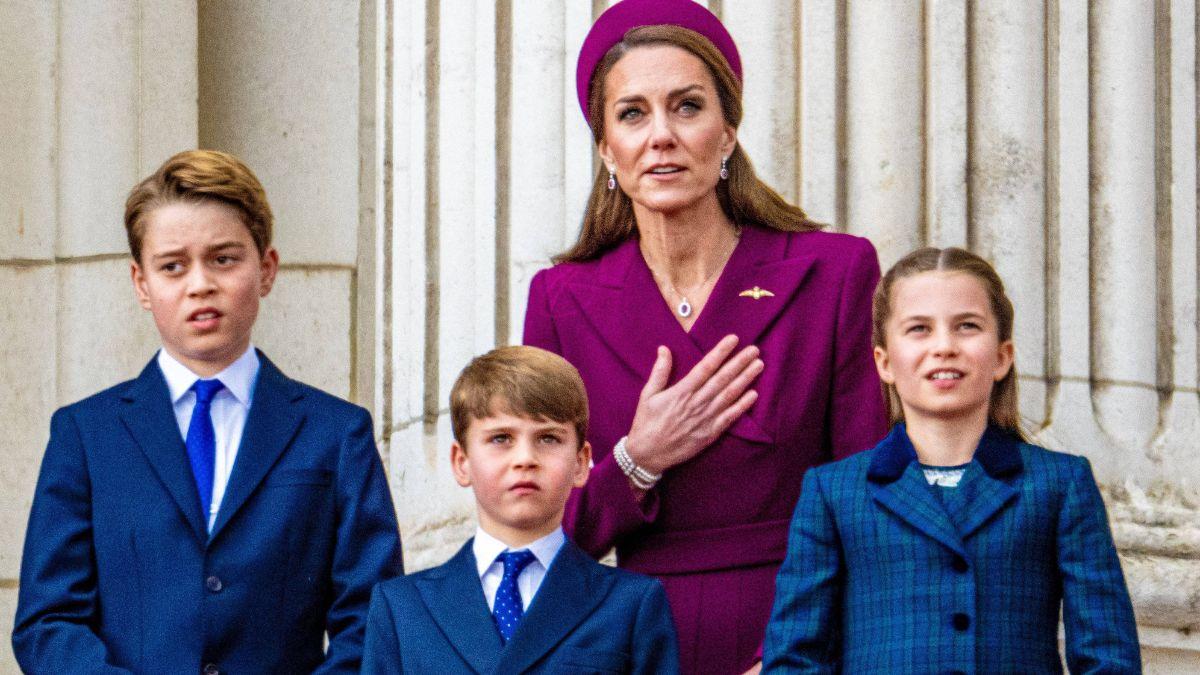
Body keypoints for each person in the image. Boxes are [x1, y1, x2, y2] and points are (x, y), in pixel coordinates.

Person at [522, 1, 887, 672]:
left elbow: (874, 508)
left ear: (727, 133)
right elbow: (542, 530)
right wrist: (638, 457)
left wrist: (800, 656)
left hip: (797, 640)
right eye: (632, 114)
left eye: (687, 107)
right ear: (607, 147)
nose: (661, 135)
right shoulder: (560, 300)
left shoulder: (834, 274)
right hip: (635, 645)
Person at [12, 150, 403, 673]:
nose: (200, 284)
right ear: (141, 284)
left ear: (266, 269)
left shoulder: (336, 434)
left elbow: (374, 623)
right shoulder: (85, 435)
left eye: (224, 258)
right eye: (173, 266)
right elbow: (48, 622)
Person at [763, 247, 1141, 673]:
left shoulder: (1059, 483)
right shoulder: (833, 491)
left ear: (1002, 357)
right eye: (919, 329)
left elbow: (1109, 657)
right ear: (884, 362)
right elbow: (795, 658)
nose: (944, 347)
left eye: (967, 326)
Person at [362, 346, 679, 674]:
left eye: (548, 439)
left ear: (581, 463)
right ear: (462, 462)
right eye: (501, 439)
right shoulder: (401, 608)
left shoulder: (631, 605)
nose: (525, 458)